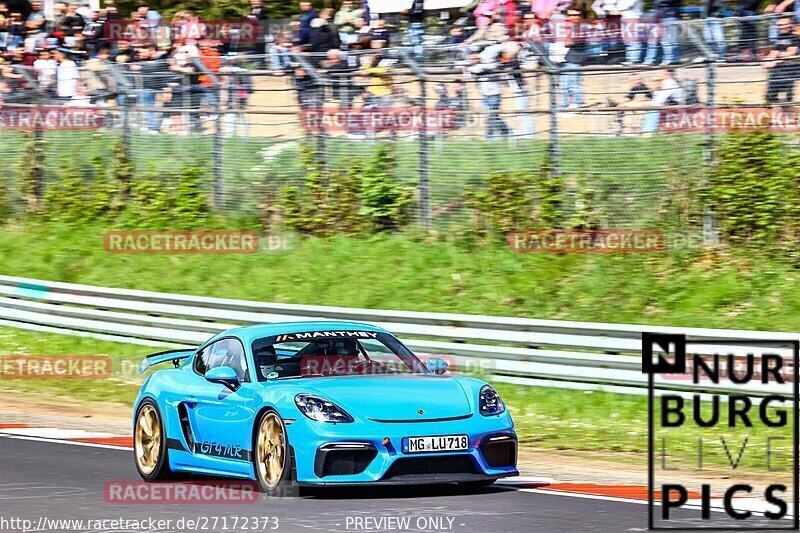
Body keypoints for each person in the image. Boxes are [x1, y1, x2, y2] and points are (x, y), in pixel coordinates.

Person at [466, 47, 509, 139]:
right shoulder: (474, 65)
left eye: (475, 56)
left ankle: (499, 135)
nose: (473, 59)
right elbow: (467, 75)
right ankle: (499, 134)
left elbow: (494, 65)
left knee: (491, 116)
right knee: (489, 117)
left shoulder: (487, 60)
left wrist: (472, 69)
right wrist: (467, 70)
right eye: (472, 57)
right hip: (485, 95)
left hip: (494, 94)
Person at [764, 17, 800, 104]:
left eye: (784, 25)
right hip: (788, 64)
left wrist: (776, 57)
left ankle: (778, 98)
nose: (781, 27)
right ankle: (771, 99)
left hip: (795, 65)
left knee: (780, 70)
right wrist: (768, 60)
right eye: (779, 25)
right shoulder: (782, 36)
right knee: (776, 69)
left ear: (791, 24)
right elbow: (775, 51)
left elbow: (791, 52)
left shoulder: (795, 36)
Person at [643, 0, 681, 65]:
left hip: (669, 16)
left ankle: (672, 59)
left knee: (670, 40)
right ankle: (658, 59)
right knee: (657, 40)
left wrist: (659, 2)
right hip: (660, 16)